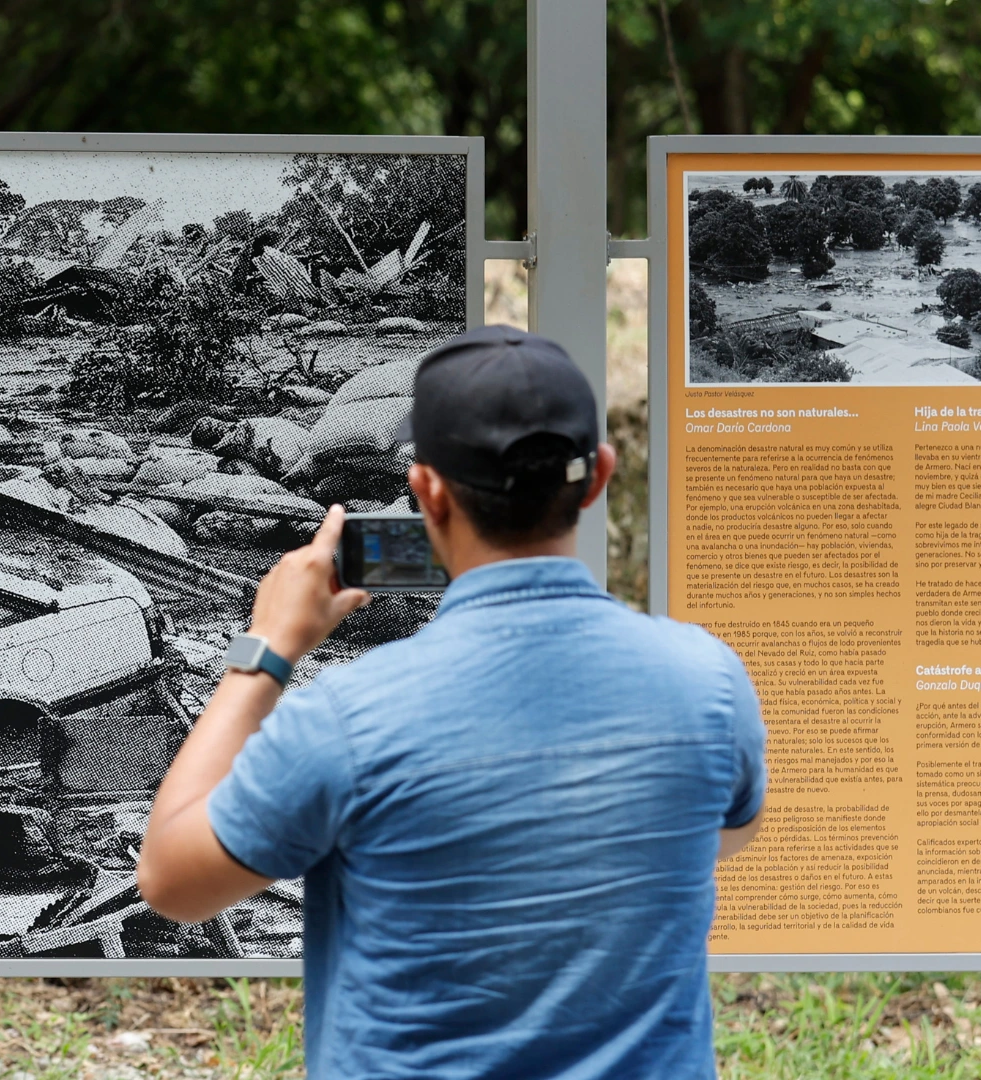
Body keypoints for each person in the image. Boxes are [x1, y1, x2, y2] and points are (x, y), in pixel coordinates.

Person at [137, 326, 766, 1079]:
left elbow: (173, 882)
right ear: (598, 477)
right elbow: (719, 835)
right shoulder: (711, 681)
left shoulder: (349, 716)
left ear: (424, 489)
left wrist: (262, 653)